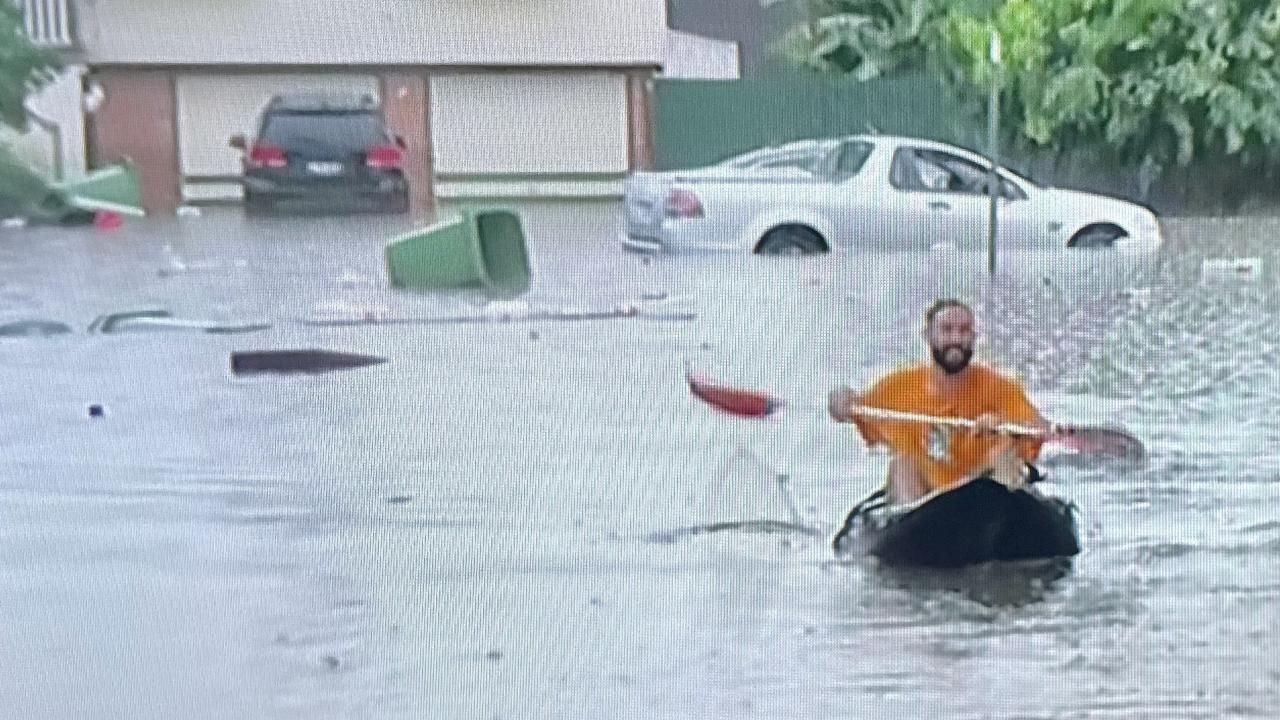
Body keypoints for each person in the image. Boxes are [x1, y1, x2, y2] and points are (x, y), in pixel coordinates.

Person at [828, 299, 1051, 504]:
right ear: (927, 335)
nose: (956, 339)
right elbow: (853, 408)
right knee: (903, 463)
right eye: (946, 330)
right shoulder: (898, 387)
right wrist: (842, 401)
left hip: (982, 492)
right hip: (923, 498)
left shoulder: (999, 387)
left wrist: (1003, 425)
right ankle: (912, 527)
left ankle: (998, 520)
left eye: (964, 331)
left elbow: (1036, 426)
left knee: (1004, 457)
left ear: (973, 338)